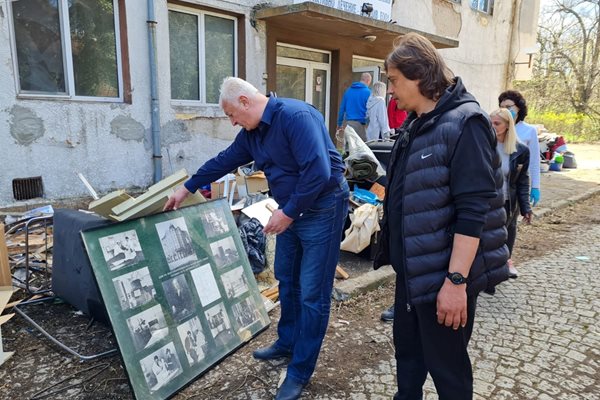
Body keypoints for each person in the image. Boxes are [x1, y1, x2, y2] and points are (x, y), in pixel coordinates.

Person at [164, 77, 349, 400]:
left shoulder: (296, 117)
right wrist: (187, 187)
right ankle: (286, 342)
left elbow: (318, 172)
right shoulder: (252, 134)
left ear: (245, 102)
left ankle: (300, 371)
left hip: (323, 208)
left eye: (232, 114)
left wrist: (287, 213)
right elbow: (224, 160)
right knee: (287, 279)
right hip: (291, 210)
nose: (232, 121)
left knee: (312, 293)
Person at [374, 33, 509, 400]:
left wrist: (455, 282)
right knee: (409, 366)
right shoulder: (417, 123)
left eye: (395, 80)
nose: (392, 91)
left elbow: (473, 212)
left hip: (443, 279)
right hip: (412, 276)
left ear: (419, 76)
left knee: (448, 374)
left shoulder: (467, 123)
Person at [489, 108, 533, 280]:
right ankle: (488, 273)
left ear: (508, 125)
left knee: (507, 234)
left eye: (497, 123)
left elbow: (522, 181)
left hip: (508, 200)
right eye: (490, 123)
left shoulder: (520, 150)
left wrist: (525, 207)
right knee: (488, 238)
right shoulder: (484, 146)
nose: (493, 127)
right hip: (488, 200)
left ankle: (505, 264)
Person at [498, 90, 541, 207]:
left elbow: (534, 160)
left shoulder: (528, 130)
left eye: (508, 107)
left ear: (519, 108)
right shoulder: (496, 127)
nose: (505, 110)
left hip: (515, 183)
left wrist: (535, 186)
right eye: (502, 107)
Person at [337, 72, 372, 141]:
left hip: (349, 124)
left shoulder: (348, 91)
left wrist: (339, 123)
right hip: (361, 125)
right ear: (368, 81)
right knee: (362, 149)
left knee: (349, 148)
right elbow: (370, 110)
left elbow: (342, 109)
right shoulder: (368, 92)